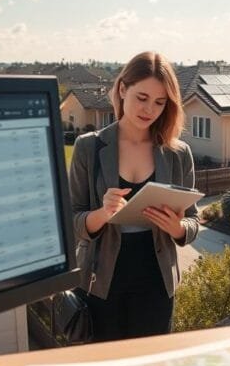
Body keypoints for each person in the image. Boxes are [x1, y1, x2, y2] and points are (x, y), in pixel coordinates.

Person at [68, 51, 199, 341]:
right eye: (142, 98)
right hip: (100, 282)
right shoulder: (88, 147)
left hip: (157, 282)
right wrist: (102, 214)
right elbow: (71, 221)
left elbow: (192, 224)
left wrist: (177, 228)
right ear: (123, 89)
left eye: (159, 102)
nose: (149, 109)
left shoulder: (178, 154)